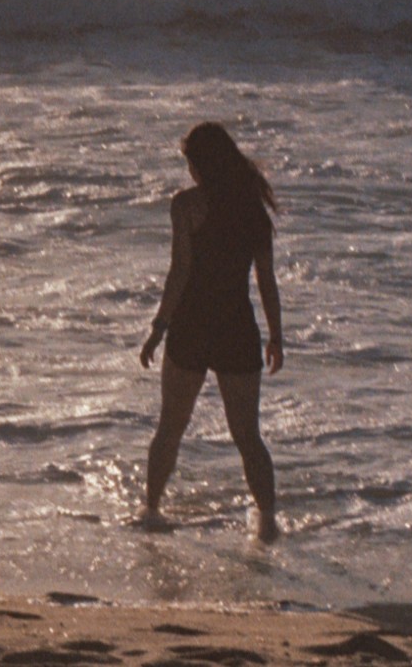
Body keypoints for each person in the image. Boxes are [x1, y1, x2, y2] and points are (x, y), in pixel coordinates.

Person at [139, 121, 284, 541]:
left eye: (191, 164)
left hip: (192, 325)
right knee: (248, 436)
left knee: (170, 427)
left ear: (202, 164)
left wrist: (158, 328)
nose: (190, 173)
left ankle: (151, 511)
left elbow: (180, 272)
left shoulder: (186, 206)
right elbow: (267, 281)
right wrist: (276, 335)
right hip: (237, 326)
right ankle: (268, 522)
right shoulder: (252, 211)